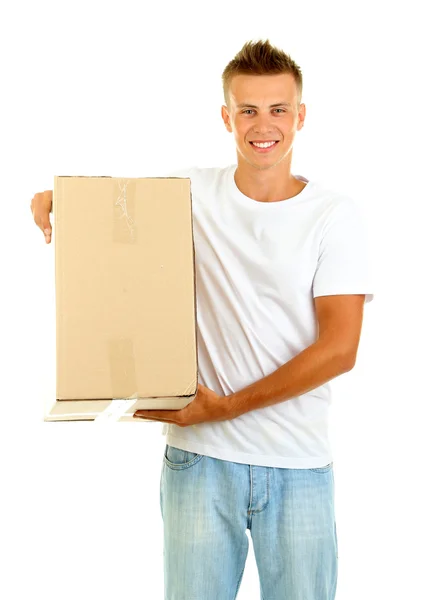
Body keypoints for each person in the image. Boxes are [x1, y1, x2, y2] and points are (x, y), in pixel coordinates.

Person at [31, 39, 374, 600]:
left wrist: (228, 406)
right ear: (226, 117)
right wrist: (53, 201)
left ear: (301, 117)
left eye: (278, 109)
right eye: (248, 110)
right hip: (199, 462)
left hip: (297, 464)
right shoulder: (187, 193)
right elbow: (115, 216)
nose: (264, 125)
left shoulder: (334, 216)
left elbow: (341, 348)